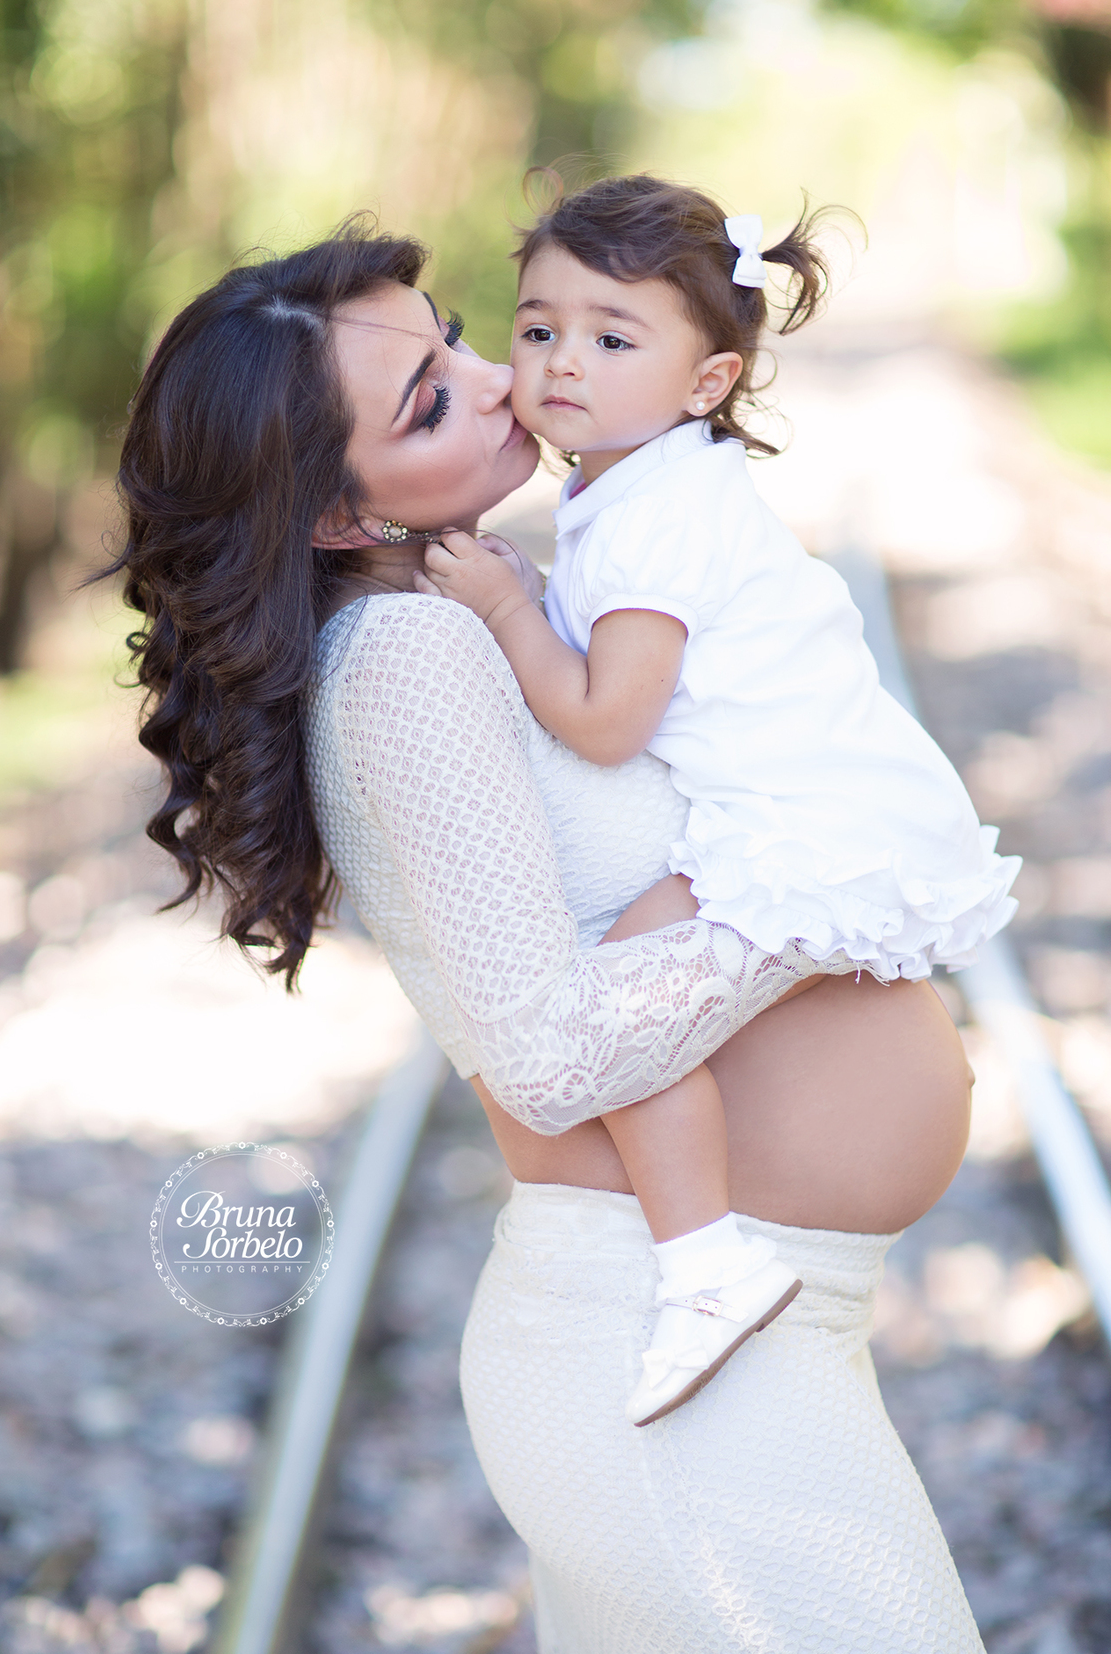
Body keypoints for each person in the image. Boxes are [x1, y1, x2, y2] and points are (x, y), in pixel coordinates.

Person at [110, 220, 1002, 1654]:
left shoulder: (477, 603)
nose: (497, 381)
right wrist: (812, 899)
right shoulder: (405, 659)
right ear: (333, 515)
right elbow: (544, 1051)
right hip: (655, 1341)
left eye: (460, 339)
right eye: (428, 403)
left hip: (721, 1335)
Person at [416, 175, 1020, 1427]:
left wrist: (507, 608)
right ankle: (705, 1259)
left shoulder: (658, 520)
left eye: (612, 339)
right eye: (539, 328)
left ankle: (707, 1271)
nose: (562, 362)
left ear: (707, 383)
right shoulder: (640, 488)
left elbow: (606, 720)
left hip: (809, 831)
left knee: (614, 1009)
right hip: (809, 809)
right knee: (624, 1003)